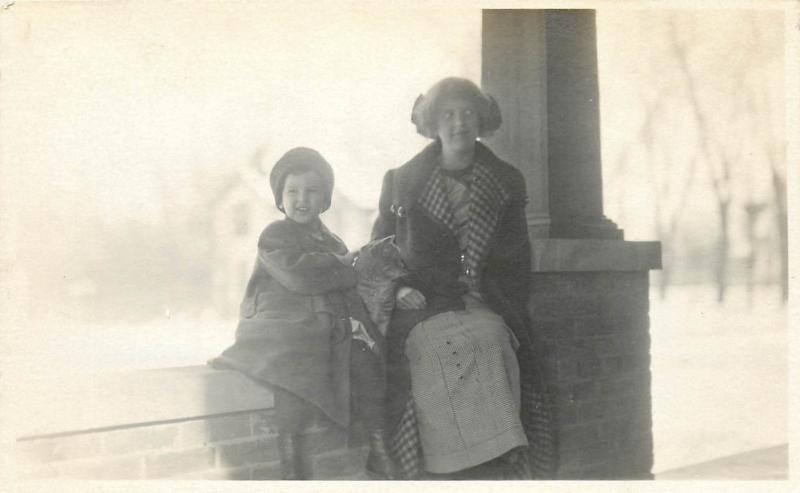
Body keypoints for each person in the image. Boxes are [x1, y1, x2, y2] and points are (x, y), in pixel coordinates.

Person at [372, 78, 557, 479]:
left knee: (492, 340)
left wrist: (499, 298)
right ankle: (447, 469)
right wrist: (399, 287)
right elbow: (378, 251)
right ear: (433, 123)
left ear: (481, 120)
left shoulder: (506, 181)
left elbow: (517, 257)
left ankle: (495, 462)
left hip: (486, 301)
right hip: (423, 306)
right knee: (432, 350)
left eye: (468, 113)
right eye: (449, 114)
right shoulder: (401, 181)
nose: (459, 123)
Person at [211, 147, 398, 480]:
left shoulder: (332, 241)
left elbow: (347, 288)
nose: (301, 199)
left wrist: (362, 325)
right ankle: (292, 465)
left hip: (319, 324)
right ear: (280, 199)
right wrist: (342, 266)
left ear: (324, 199)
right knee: (290, 371)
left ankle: (379, 447)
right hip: (276, 323)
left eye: (311, 192)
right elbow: (299, 276)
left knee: (367, 362)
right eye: (292, 191)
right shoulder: (275, 235)